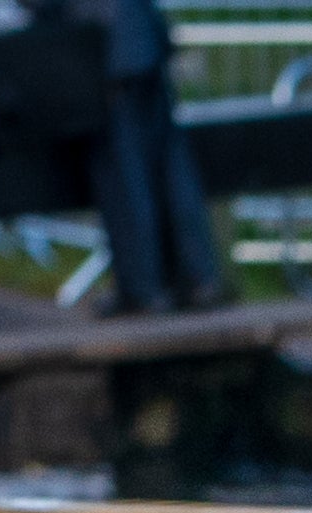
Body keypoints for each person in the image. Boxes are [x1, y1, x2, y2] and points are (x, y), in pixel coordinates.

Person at [73, 0, 228, 314]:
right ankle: (197, 279)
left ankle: (143, 290)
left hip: (106, 47)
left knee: (124, 175)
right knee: (169, 167)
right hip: (143, 38)